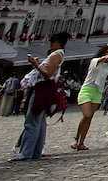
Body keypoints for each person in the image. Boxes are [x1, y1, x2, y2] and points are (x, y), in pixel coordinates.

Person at [13, 32, 67, 161]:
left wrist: (34, 64)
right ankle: (36, 151)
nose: (51, 45)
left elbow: (47, 74)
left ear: (56, 43)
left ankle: (25, 153)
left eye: (52, 42)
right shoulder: (59, 54)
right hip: (47, 89)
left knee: (32, 121)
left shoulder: (56, 54)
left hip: (42, 88)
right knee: (40, 122)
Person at [73, 45, 108, 151]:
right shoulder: (95, 61)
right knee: (87, 114)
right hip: (87, 90)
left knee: (89, 117)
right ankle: (76, 139)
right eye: (107, 52)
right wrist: (103, 58)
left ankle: (81, 143)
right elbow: (99, 60)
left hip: (98, 92)